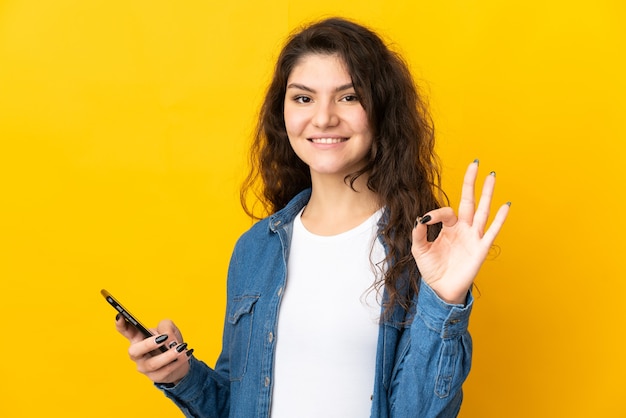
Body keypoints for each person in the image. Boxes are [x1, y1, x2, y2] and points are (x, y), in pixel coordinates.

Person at [115, 17, 510, 418]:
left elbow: (419, 411)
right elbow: (238, 406)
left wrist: (444, 299)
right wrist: (180, 375)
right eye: (303, 98)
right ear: (282, 112)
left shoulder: (423, 251)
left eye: (348, 97)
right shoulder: (256, 249)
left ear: (381, 111)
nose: (323, 118)